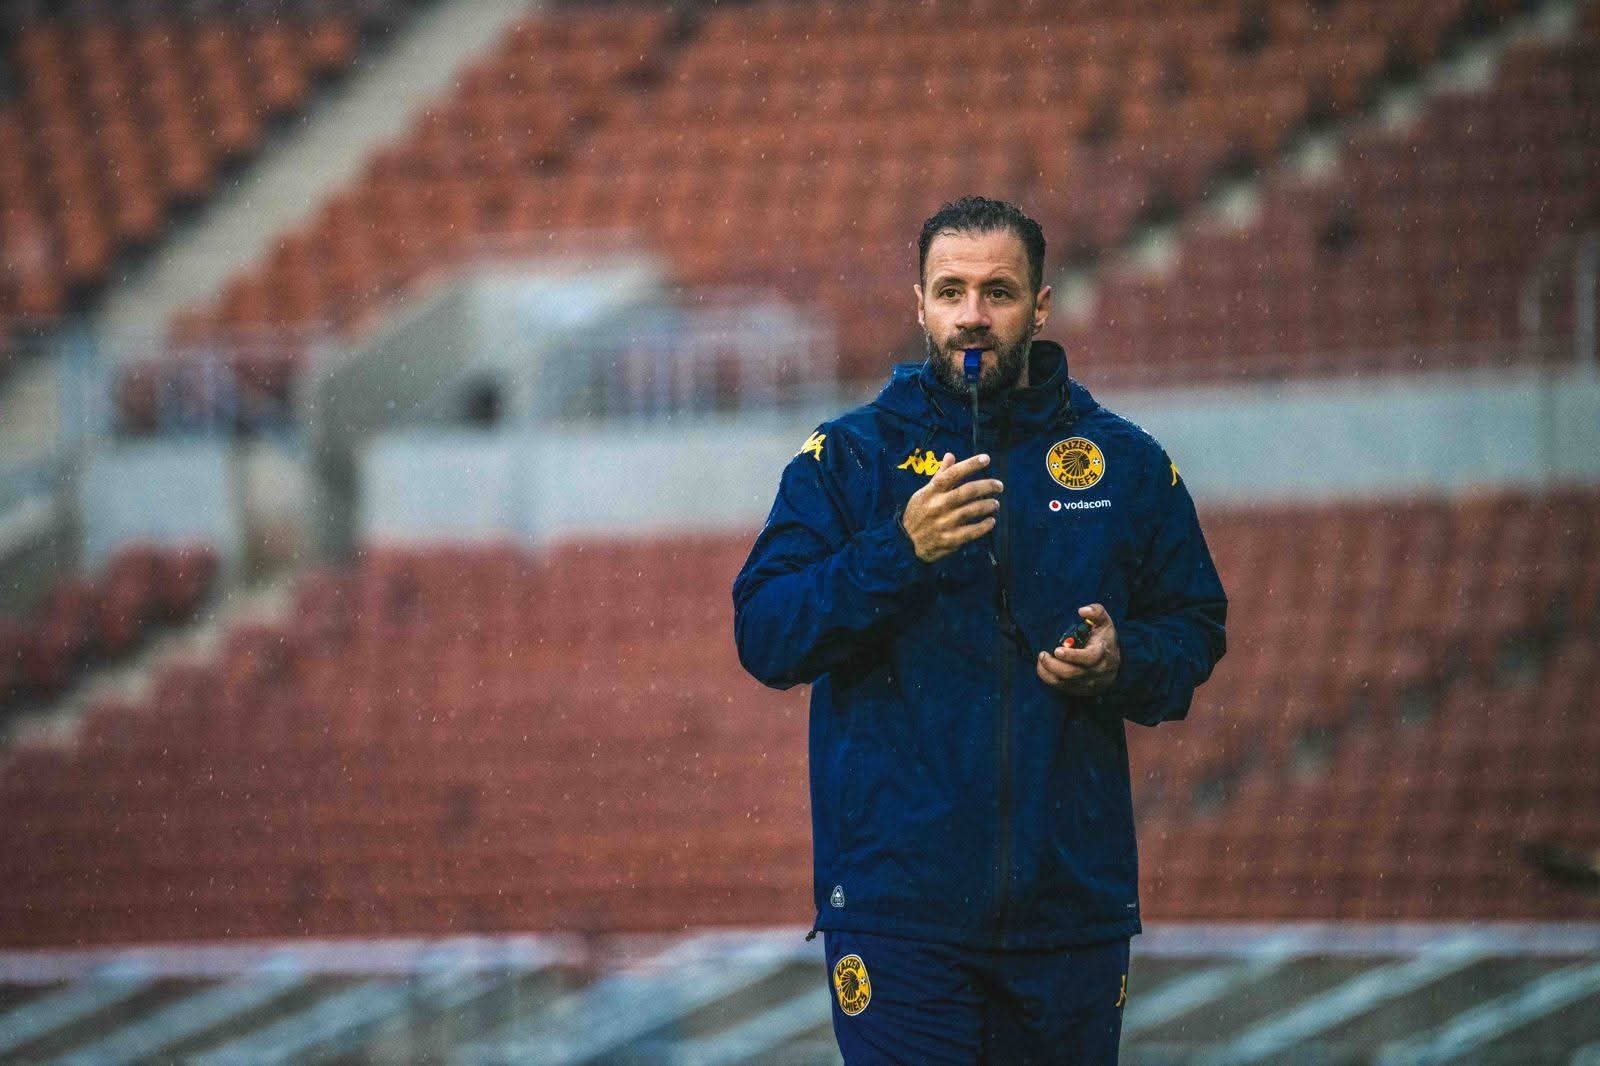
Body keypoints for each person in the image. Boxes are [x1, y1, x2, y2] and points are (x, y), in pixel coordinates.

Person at [731, 196, 1227, 1064]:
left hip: (1068, 912)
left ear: (1040, 306)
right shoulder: (850, 458)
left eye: (998, 292)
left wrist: (1124, 661)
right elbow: (767, 633)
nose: (972, 315)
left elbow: (1195, 625)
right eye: (950, 290)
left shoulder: (1127, 464)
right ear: (919, 304)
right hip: (899, 914)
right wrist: (900, 551)